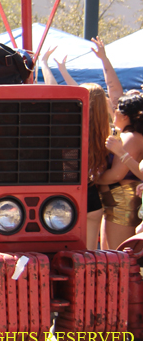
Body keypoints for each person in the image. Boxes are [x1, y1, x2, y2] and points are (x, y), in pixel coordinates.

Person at [101, 92, 143, 247]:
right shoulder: (127, 135)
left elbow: (116, 175)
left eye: (116, 108)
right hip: (116, 201)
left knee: (119, 257)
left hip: (122, 202)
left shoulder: (130, 137)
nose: (114, 111)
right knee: (110, 256)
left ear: (125, 115)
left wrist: (91, 179)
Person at [79, 83, 109, 250]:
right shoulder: (106, 134)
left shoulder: (71, 131)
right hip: (93, 199)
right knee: (89, 256)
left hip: (69, 199)